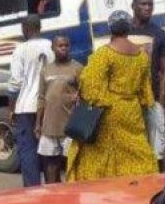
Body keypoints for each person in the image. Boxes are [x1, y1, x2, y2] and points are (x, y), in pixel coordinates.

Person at [67, 11, 158, 181]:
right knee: (135, 148)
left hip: (110, 111)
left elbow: (90, 85)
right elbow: (146, 88)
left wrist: (97, 100)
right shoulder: (141, 55)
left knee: (104, 150)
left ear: (110, 28)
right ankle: (140, 184)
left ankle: (107, 187)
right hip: (132, 110)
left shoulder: (104, 54)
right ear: (129, 27)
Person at [128, 0, 165, 168]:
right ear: (133, 6)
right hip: (128, 100)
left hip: (152, 99)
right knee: (131, 149)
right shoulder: (124, 33)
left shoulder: (161, 35)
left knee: (157, 150)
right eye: (143, 4)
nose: (147, 8)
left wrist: (159, 103)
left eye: (150, 4)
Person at [8, 15, 53, 187]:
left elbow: (15, 82)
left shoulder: (21, 50)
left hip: (26, 107)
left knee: (28, 152)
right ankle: (53, 189)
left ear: (25, 29)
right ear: (39, 27)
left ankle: (33, 191)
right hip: (48, 106)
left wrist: (11, 108)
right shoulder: (51, 45)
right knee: (50, 150)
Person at [35, 36, 83, 184]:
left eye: (66, 45)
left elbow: (85, 94)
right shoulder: (46, 70)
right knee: (50, 164)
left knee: (71, 163)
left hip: (69, 127)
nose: (63, 48)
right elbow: (41, 98)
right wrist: (38, 124)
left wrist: (76, 98)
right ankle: (52, 194)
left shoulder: (78, 68)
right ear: (53, 48)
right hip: (49, 126)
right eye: (60, 45)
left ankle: (72, 194)